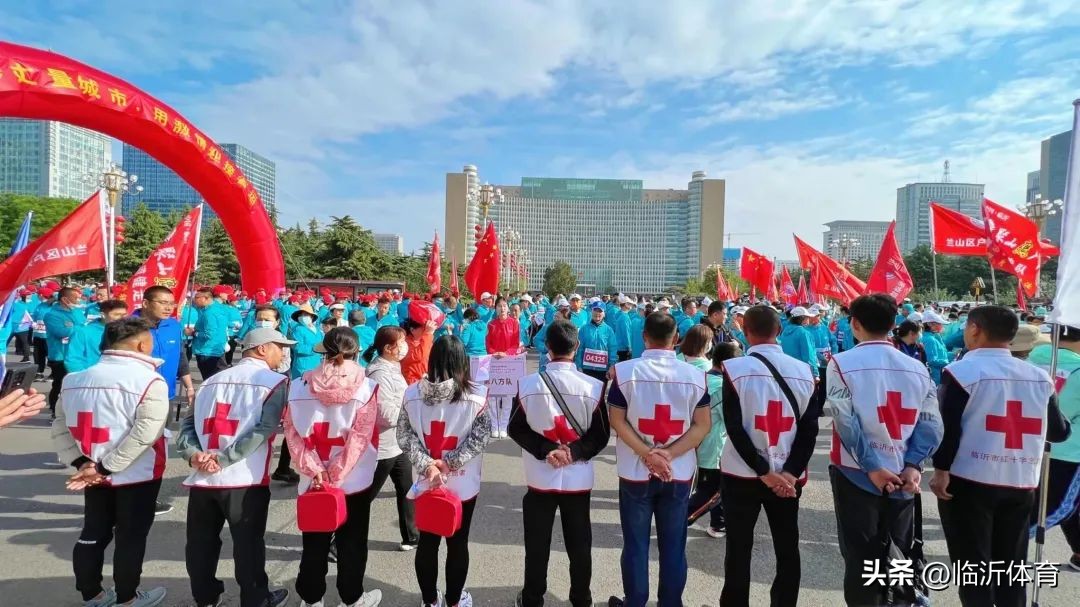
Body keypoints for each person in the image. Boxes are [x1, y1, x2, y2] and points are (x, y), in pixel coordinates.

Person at [930, 305, 1070, 607]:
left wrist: (940, 469)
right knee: (1011, 565)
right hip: (1021, 482)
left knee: (973, 565)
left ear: (975, 330)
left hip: (969, 480)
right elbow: (1058, 432)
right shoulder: (1039, 378)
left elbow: (948, 429)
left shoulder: (960, 372)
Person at [827, 295, 944, 606]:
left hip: (855, 473)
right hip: (903, 477)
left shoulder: (841, 363)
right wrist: (913, 465)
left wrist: (872, 466)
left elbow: (844, 421)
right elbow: (932, 424)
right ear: (894, 325)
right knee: (900, 555)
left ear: (854, 324)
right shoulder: (918, 368)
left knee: (861, 557)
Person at [51, 318, 169, 607]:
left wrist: (83, 464)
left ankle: (93, 595)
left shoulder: (73, 380)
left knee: (93, 532)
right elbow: (145, 435)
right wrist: (104, 467)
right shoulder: (150, 380)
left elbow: (59, 426)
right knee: (131, 537)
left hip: (91, 472)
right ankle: (127, 599)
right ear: (142, 344)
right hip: (136, 475)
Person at [176, 327, 294, 607]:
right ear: (263, 348)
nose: (284, 353)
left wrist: (194, 455)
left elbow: (188, 426)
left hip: (203, 479)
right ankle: (255, 599)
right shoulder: (275, 382)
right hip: (245, 478)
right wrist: (224, 458)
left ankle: (204, 597)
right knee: (248, 545)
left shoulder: (210, 381)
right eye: (280, 346)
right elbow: (264, 429)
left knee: (200, 543)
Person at [607, 313, 711, 607]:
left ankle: (635, 601)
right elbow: (702, 425)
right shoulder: (695, 376)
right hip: (677, 472)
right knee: (674, 544)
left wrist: (647, 453)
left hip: (634, 471)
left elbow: (617, 419)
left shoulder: (626, 372)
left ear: (644, 337)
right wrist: (669, 455)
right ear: (676, 338)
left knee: (636, 544)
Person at [719, 305, 819, 607]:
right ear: (779, 331)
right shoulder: (804, 372)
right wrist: (788, 473)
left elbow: (734, 427)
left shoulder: (733, 369)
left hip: (742, 474)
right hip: (787, 479)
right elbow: (809, 430)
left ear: (745, 331)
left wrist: (763, 470)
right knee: (787, 546)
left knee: (738, 548)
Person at [508, 320, 610, 607]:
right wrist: (573, 452)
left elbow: (515, 428)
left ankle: (532, 598)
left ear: (547, 348)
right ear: (577, 348)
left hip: (540, 477)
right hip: (578, 479)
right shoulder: (594, 387)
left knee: (537, 545)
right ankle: (581, 598)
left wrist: (547, 449)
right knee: (580, 546)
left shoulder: (527, 385)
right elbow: (601, 435)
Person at [284, 327, 384, 607]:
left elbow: (291, 433)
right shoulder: (366, 387)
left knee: (314, 542)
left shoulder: (297, 386)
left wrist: (315, 469)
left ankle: (311, 598)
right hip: (354, 480)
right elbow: (361, 436)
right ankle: (352, 598)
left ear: (323, 351)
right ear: (356, 351)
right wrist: (337, 473)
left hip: (312, 480)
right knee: (352, 542)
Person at [399, 335, 492, 607]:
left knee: (428, 542)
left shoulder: (411, 393)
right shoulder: (477, 395)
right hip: (462, 486)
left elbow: (404, 436)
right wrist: (450, 462)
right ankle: (454, 601)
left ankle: (430, 601)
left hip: (427, 483)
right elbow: (481, 437)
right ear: (463, 361)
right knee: (458, 543)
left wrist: (428, 465)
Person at [363, 325, 421, 551]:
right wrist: (411, 410)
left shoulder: (392, 367)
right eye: (401, 342)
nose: (405, 346)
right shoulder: (379, 373)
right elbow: (385, 414)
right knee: (365, 495)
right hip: (383, 445)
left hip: (398, 443)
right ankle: (338, 543)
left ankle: (411, 536)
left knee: (407, 487)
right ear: (388, 348)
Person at [1029, 325, 1080, 571]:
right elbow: (1067, 414)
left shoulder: (1032, 357)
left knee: (1071, 505)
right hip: (1068, 451)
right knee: (1056, 507)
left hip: (1031, 443)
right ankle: (999, 544)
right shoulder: (1078, 369)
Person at [687, 340, 738, 538]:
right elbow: (731, 419)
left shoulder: (701, 378)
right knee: (711, 492)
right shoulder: (723, 387)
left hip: (694, 443)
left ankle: (719, 523)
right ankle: (679, 521)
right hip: (712, 447)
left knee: (716, 488)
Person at [44, 286, 86, 418]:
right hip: (59, 356)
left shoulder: (77, 312)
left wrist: (75, 323)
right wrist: (77, 328)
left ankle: (71, 411)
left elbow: (82, 328)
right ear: (64, 299)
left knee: (77, 385)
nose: (78, 300)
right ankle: (54, 412)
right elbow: (62, 332)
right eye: (75, 298)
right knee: (60, 385)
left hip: (76, 355)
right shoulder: (52, 315)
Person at [487, 296, 523, 438]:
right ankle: (494, 425)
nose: (502, 308)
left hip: (509, 363)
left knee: (507, 396)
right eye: (499, 306)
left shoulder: (514, 323)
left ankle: (503, 426)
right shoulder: (491, 324)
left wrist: (506, 353)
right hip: (494, 362)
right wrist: (494, 353)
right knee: (493, 397)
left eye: (504, 306)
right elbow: (488, 343)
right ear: (495, 309)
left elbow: (515, 344)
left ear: (507, 308)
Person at [65, 300, 129, 373]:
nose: (122, 318)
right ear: (103, 315)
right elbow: (72, 360)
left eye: (124, 314)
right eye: (117, 314)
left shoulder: (130, 332)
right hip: (94, 378)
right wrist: (85, 378)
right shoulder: (83, 332)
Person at [191, 287, 230, 380]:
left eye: (197, 297)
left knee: (210, 381)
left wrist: (194, 333)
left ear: (206, 298)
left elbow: (209, 334)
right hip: (218, 349)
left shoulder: (209, 313)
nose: (194, 300)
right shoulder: (220, 308)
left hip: (207, 351)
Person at [576, 302, 617, 382]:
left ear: (604, 314)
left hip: (602, 371)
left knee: (600, 394)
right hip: (586, 369)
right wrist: (579, 366)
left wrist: (611, 366)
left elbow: (612, 349)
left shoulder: (609, 330)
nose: (597, 313)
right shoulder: (584, 329)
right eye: (595, 310)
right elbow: (579, 348)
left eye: (600, 311)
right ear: (591, 311)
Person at [779, 306, 817, 378]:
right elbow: (809, 356)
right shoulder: (804, 333)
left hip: (786, 371)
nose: (809, 319)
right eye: (807, 317)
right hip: (801, 373)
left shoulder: (784, 331)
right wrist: (815, 374)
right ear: (803, 319)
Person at [290, 303, 323, 380]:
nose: (303, 317)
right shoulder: (297, 329)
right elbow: (297, 347)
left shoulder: (317, 329)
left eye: (306, 314)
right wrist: (315, 349)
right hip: (303, 365)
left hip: (317, 363)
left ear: (311, 316)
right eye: (301, 315)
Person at [920, 310, 950, 384]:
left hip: (937, 375)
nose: (941, 326)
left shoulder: (933, 337)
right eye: (939, 324)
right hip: (935, 377)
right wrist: (948, 363)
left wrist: (953, 354)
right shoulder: (930, 340)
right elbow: (932, 361)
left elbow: (941, 354)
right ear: (930, 324)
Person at [32, 287, 54, 378]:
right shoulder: (40, 305)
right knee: (37, 354)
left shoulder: (54, 306)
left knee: (51, 355)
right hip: (37, 334)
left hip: (48, 336)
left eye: (38, 294)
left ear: (41, 295)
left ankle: (54, 373)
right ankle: (39, 372)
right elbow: (35, 317)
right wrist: (33, 323)